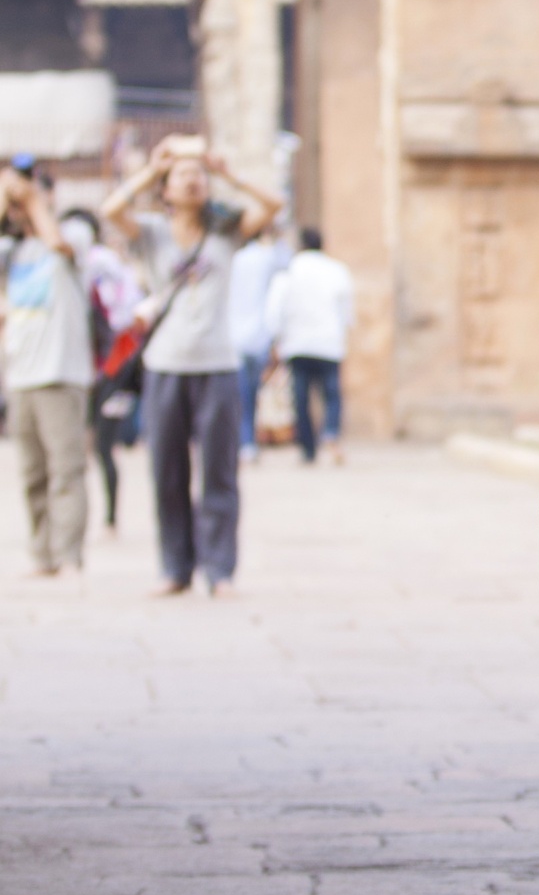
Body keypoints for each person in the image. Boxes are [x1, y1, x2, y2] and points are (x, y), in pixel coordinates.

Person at [102, 138, 284, 597]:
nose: (192, 179)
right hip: (165, 366)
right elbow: (110, 210)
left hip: (219, 365)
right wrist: (150, 168)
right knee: (167, 470)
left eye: (197, 173)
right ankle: (175, 567)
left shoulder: (227, 231)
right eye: (182, 174)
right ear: (166, 189)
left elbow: (274, 204)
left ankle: (220, 570)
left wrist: (229, 174)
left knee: (219, 470)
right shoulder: (150, 233)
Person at [1, 167, 94, 576]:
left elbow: (56, 241)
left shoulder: (74, 234)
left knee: (66, 469)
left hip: (60, 373)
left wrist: (32, 196)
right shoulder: (11, 251)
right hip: (20, 375)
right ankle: (42, 554)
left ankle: (68, 553)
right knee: (31, 473)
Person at [60, 210, 143, 531]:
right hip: (109, 364)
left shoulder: (94, 263)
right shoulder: (107, 264)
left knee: (98, 447)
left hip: (106, 365)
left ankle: (106, 517)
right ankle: (107, 517)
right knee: (103, 446)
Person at [265, 226, 354, 465]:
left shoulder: (289, 272)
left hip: (297, 343)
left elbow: (275, 310)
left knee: (301, 398)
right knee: (332, 394)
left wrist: (276, 340)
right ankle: (331, 432)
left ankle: (308, 449)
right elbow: (346, 310)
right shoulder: (337, 270)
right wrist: (344, 333)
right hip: (329, 342)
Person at [229, 225, 289, 462]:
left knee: (241, 395)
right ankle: (248, 441)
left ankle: (245, 441)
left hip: (236, 336)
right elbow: (286, 263)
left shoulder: (234, 259)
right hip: (259, 336)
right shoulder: (267, 258)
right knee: (251, 394)